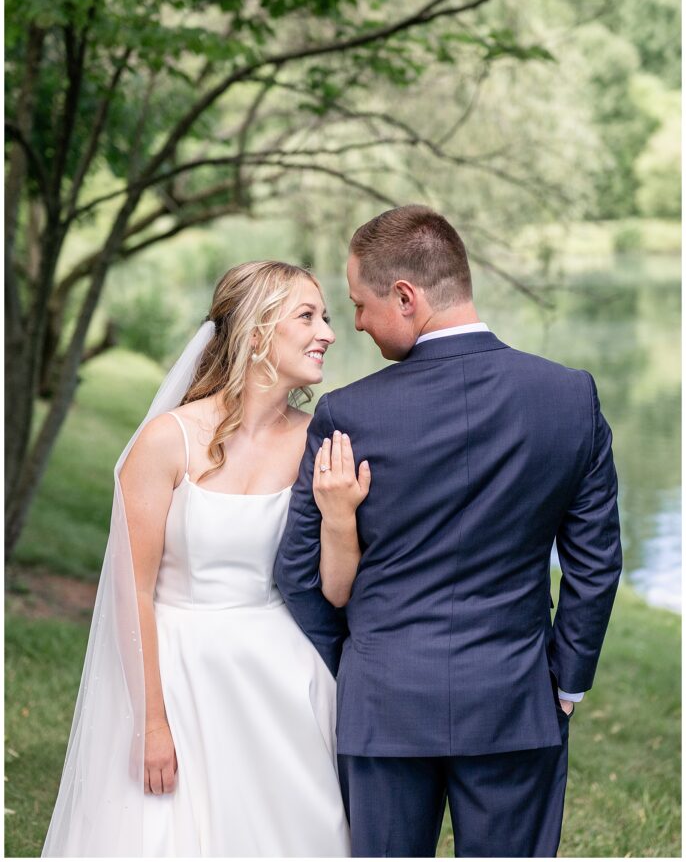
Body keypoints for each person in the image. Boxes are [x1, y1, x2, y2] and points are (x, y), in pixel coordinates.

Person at [275, 205, 623, 858]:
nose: (354, 323)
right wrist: (567, 682)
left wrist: (356, 665)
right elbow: (595, 563)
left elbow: (298, 576)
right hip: (517, 699)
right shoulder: (569, 397)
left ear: (405, 297)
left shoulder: (349, 414)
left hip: (382, 705)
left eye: (358, 304)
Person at [42, 261, 351, 857]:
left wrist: (341, 516)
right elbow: (133, 589)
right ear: (257, 333)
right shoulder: (168, 441)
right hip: (178, 671)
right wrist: (151, 721)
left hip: (280, 676)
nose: (328, 333)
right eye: (308, 316)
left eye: (328, 317)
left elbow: (336, 590)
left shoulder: (319, 441)